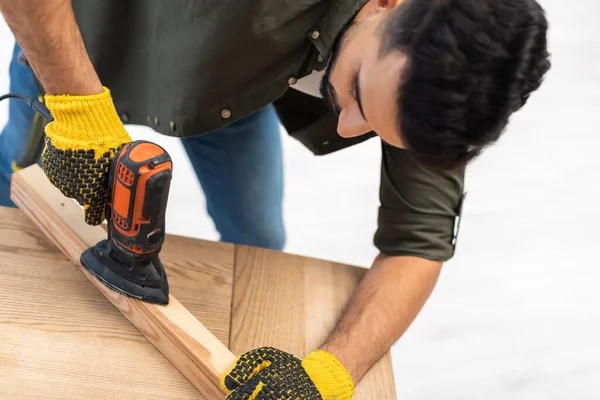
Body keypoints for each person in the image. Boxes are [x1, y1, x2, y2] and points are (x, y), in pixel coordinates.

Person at [0, 0, 550, 398]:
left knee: (260, 237)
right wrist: (77, 107)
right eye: (358, 92)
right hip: (84, 36)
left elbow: (418, 246)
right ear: (387, 3)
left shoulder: (448, 71)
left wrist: (331, 373)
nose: (348, 124)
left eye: (378, 130)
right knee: (17, 192)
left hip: (228, 91)